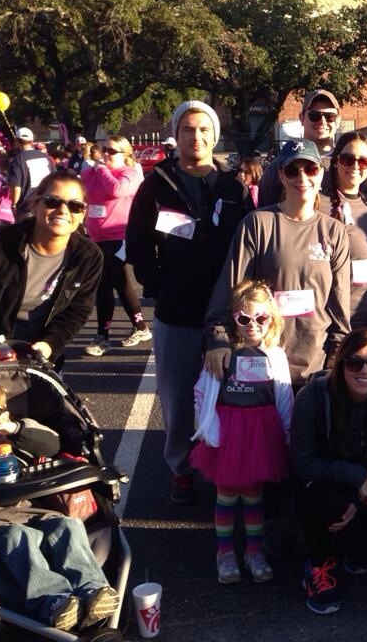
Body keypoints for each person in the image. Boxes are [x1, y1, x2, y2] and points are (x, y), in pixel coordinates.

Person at [126, 99, 254, 505]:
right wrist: (159, 286)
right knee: (178, 400)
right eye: (187, 129)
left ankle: (223, 467)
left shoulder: (233, 188)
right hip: (177, 313)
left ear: (215, 136)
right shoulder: (156, 185)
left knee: (228, 397)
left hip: (227, 316)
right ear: (176, 134)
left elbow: (249, 243)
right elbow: (138, 244)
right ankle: (181, 469)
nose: (195, 137)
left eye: (203, 130)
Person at [0, 378, 118, 631]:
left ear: (3, 415)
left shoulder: (17, 440)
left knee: (67, 526)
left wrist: (14, 428)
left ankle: (93, 589)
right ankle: (53, 600)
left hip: (37, 510)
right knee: (19, 538)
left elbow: (52, 443)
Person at [204, 139, 350, 389]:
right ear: (281, 176)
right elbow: (231, 287)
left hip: (315, 368)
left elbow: (339, 306)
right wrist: (218, 339)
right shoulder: (258, 223)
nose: (302, 177)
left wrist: (336, 359)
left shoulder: (334, 231)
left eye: (310, 169)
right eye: (293, 170)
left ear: (321, 173)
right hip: (262, 364)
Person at [291, 329, 367, 615]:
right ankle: (317, 565)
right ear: (341, 363)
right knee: (327, 502)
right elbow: (302, 463)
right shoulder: (313, 397)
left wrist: (360, 496)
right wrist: (355, 476)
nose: (365, 371)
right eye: (355, 362)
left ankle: (360, 543)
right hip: (327, 480)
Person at [0, 170, 101, 365]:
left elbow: (77, 311)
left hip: (37, 357)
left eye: (75, 206)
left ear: (83, 214)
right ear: (35, 204)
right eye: (52, 202)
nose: (63, 211)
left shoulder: (88, 257)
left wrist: (50, 344)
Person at [190, 280, 292, 586]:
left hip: (261, 433)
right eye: (244, 318)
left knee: (253, 495)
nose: (252, 325)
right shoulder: (222, 354)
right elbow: (203, 391)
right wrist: (205, 427)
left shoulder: (275, 356)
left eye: (261, 318)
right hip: (229, 432)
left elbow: (284, 397)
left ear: (272, 319)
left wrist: (286, 436)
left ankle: (253, 551)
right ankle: (225, 553)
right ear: (233, 319)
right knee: (226, 494)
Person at [80, 135, 150, 356]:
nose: (106, 154)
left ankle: (102, 336)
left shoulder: (130, 174)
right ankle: (141, 327)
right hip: (97, 237)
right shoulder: (93, 173)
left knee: (103, 283)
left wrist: (102, 170)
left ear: (125, 154)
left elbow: (117, 191)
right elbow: (82, 191)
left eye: (112, 151)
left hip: (121, 236)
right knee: (121, 282)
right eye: (105, 150)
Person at [325, 132, 367, 332]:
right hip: (342, 326)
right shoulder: (320, 206)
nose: (355, 166)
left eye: (363, 161)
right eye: (347, 159)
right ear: (335, 162)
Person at [258, 89, 342, 205]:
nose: (322, 121)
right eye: (314, 116)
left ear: (338, 121)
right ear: (302, 118)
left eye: (330, 116)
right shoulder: (280, 165)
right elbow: (266, 211)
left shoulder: (349, 163)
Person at [8, 128, 55, 223]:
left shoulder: (17, 160)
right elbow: (54, 178)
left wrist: (14, 205)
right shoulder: (45, 157)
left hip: (26, 208)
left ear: (17, 141)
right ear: (32, 141)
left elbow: (16, 188)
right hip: (45, 204)